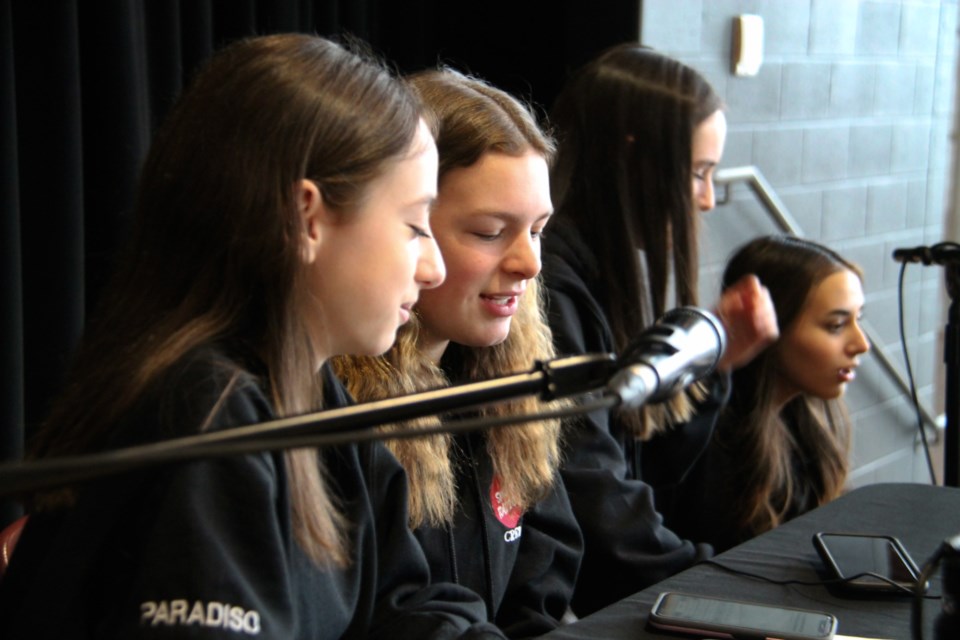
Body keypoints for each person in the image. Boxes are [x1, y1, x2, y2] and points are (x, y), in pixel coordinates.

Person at [0, 34, 507, 639]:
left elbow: (407, 598)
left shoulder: (307, 386)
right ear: (308, 218)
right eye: (412, 226)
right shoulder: (207, 411)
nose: (433, 269)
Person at [332, 69, 581, 639]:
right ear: (407, 226)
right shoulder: (333, 405)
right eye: (492, 232)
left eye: (538, 230)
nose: (530, 264)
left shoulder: (504, 378)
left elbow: (543, 575)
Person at [541, 43, 779, 615]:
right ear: (632, 160)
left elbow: (643, 463)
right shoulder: (550, 279)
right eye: (698, 173)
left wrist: (715, 366)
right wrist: (716, 587)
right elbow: (594, 490)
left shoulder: (599, 271)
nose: (705, 199)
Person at [667, 234, 869, 552]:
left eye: (859, 319)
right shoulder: (713, 443)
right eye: (836, 325)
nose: (862, 344)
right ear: (770, 328)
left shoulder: (804, 427)